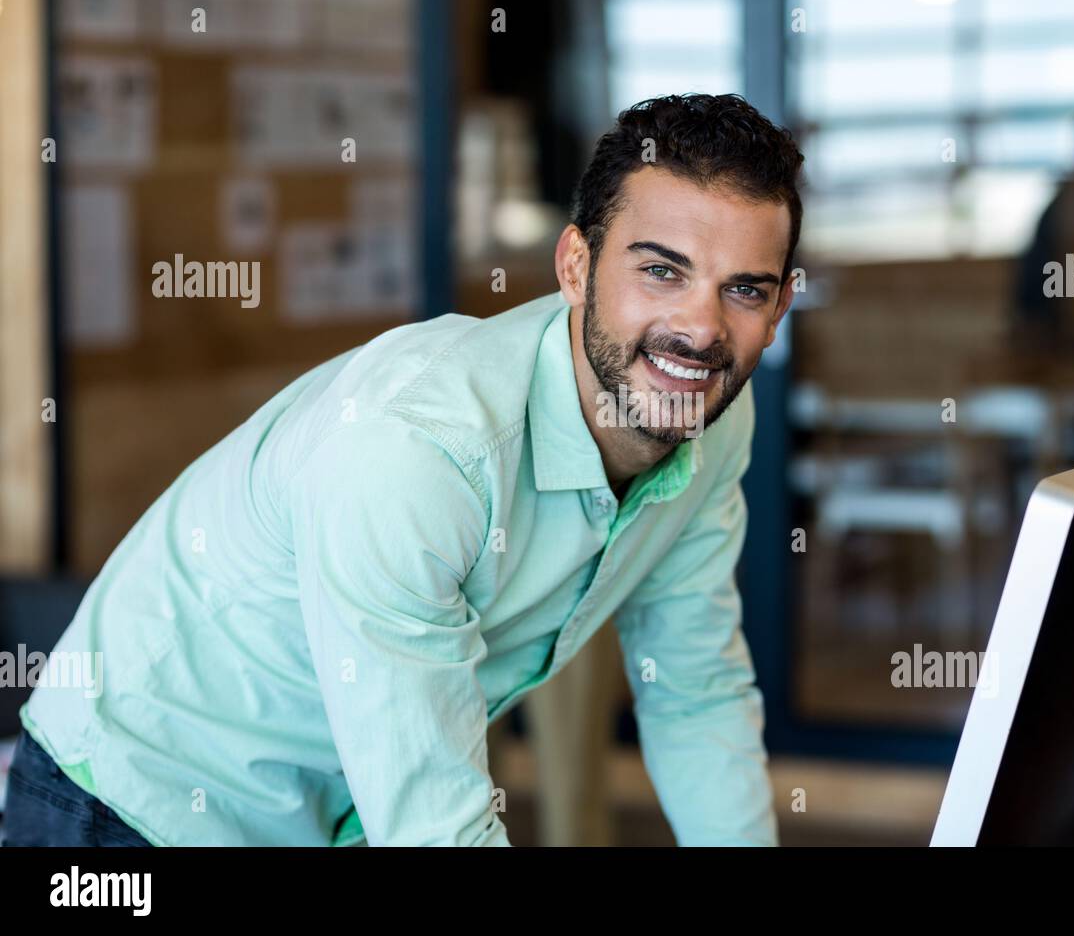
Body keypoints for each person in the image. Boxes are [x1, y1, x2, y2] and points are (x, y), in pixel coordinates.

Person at [7, 93, 804, 846]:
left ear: (778, 310)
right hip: (129, 789)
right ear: (575, 266)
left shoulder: (705, 422)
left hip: (331, 808)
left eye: (743, 289)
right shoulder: (421, 450)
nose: (700, 329)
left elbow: (695, 692)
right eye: (660, 270)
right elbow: (433, 828)